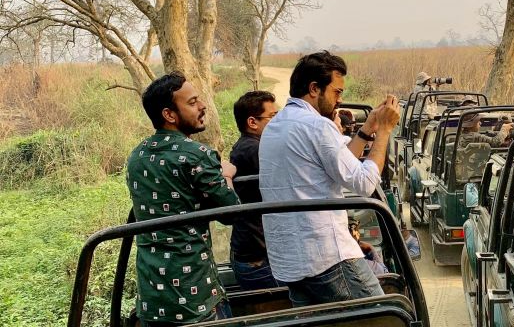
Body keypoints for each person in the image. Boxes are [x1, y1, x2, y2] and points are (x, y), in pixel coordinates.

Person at [258, 51, 401, 307]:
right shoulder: (316, 126)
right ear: (315, 89)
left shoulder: (276, 126)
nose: (340, 99)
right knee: (386, 315)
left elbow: (339, 160)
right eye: (336, 92)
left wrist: (368, 129)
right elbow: (364, 184)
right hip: (326, 258)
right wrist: (385, 132)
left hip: (291, 262)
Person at [126, 72, 240, 325]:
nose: (202, 106)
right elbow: (232, 213)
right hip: (194, 294)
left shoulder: (137, 156)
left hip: (151, 294)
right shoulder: (197, 155)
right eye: (192, 102)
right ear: (169, 115)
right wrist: (227, 175)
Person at [228, 91, 281, 291]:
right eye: (273, 116)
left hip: (254, 252)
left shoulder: (249, 146)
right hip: (258, 260)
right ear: (252, 122)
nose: (278, 121)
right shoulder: (253, 151)